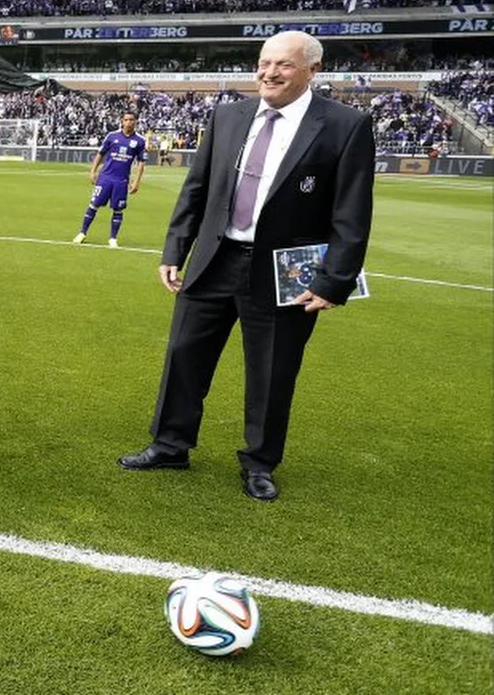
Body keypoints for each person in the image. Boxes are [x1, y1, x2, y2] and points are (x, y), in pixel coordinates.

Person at [117, 31, 376, 502]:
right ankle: (170, 445)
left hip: (284, 272)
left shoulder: (345, 125)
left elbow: (352, 212)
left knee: (272, 372)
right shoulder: (227, 116)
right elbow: (196, 189)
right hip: (214, 260)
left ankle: (260, 462)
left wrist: (334, 281)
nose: (269, 73)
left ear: (313, 70)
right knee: (183, 355)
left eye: (283, 65)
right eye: (263, 63)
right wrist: (175, 248)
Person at [72, 110, 146, 248]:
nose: (129, 122)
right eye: (126, 120)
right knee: (94, 205)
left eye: (131, 120)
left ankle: (113, 238)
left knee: (118, 209)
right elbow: (100, 154)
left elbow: (141, 163)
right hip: (105, 178)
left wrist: (136, 181)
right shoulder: (112, 136)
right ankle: (82, 233)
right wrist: (93, 171)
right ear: (122, 121)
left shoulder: (140, 141)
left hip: (121, 181)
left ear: (135, 122)